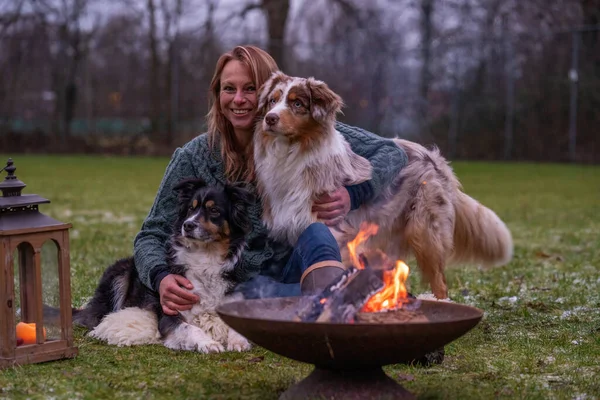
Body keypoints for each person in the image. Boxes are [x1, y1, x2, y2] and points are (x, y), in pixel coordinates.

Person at [133, 45, 407, 316]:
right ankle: (355, 304)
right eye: (229, 89)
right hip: (237, 285)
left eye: (250, 89)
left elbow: (392, 153)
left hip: (297, 270)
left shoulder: (304, 127)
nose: (238, 99)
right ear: (217, 95)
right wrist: (160, 277)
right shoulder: (195, 156)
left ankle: (338, 307)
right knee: (277, 295)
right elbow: (151, 234)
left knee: (317, 233)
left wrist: (354, 194)